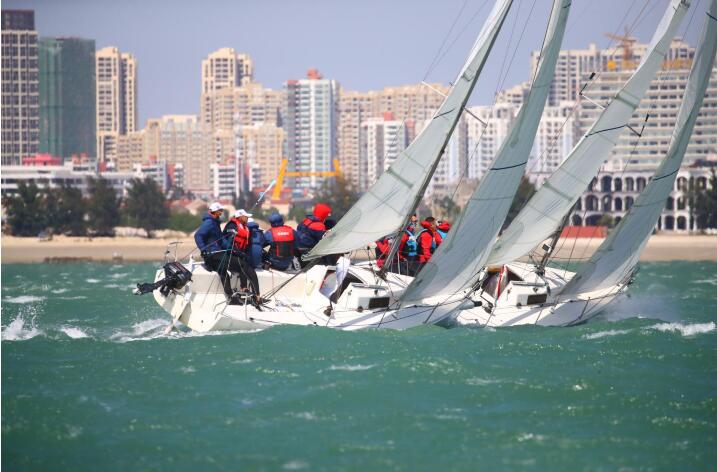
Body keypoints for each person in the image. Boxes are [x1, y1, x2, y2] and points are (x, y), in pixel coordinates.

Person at [194, 202, 239, 302]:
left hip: (218, 253)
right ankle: (231, 296)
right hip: (211, 255)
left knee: (225, 270)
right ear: (215, 212)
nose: (222, 213)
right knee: (232, 267)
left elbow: (221, 240)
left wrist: (232, 249)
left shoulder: (215, 222)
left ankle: (231, 295)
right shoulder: (209, 223)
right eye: (220, 211)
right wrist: (204, 250)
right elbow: (198, 236)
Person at [223, 209, 261, 303]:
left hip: (239, 256)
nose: (247, 218)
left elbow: (246, 245)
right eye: (246, 216)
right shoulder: (232, 225)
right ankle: (257, 297)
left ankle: (244, 289)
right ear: (240, 216)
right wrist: (239, 253)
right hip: (231, 256)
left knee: (245, 266)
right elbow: (227, 243)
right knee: (251, 272)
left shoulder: (245, 227)